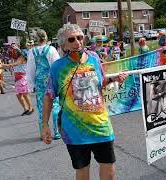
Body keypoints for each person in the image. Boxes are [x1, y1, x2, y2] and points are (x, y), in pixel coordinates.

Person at [41, 24, 128, 180]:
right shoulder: (57, 67)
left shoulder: (94, 57)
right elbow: (48, 96)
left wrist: (114, 79)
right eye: (72, 39)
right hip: (75, 131)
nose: (78, 42)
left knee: (109, 170)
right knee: (82, 171)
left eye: (80, 38)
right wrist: (45, 125)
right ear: (63, 45)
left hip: (101, 126)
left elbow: (99, 82)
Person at [26, 29, 61, 140]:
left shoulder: (32, 51)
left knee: (41, 107)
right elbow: (56, 66)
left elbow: (30, 69)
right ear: (45, 38)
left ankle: (43, 133)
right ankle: (57, 132)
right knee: (55, 105)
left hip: (40, 81)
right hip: (51, 80)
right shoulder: (51, 49)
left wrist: (31, 85)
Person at [0, 49, 35, 116]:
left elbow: (14, 64)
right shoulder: (18, 58)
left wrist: (4, 65)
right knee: (18, 95)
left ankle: (31, 108)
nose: (13, 53)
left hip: (23, 79)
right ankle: (25, 108)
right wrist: (1, 67)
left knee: (25, 94)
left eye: (15, 52)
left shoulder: (22, 58)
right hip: (18, 80)